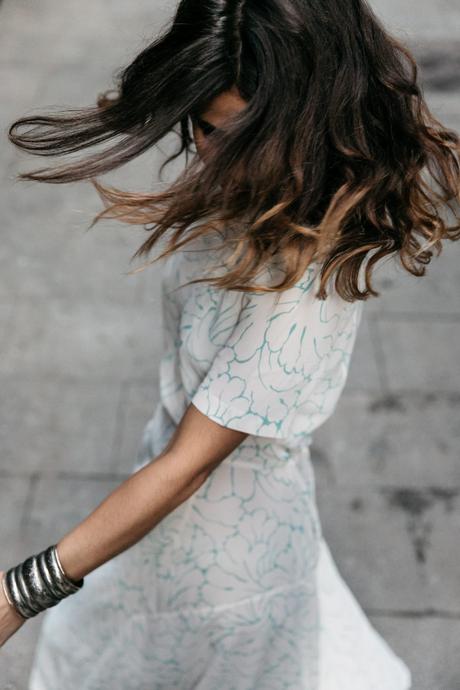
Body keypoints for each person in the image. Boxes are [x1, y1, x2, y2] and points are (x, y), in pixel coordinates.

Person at [1, 0, 459, 688]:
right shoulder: (270, 190)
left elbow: (190, 465)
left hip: (224, 565)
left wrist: (17, 595)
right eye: (208, 127)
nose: (217, 153)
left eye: (245, 131)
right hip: (175, 522)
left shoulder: (299, 294)